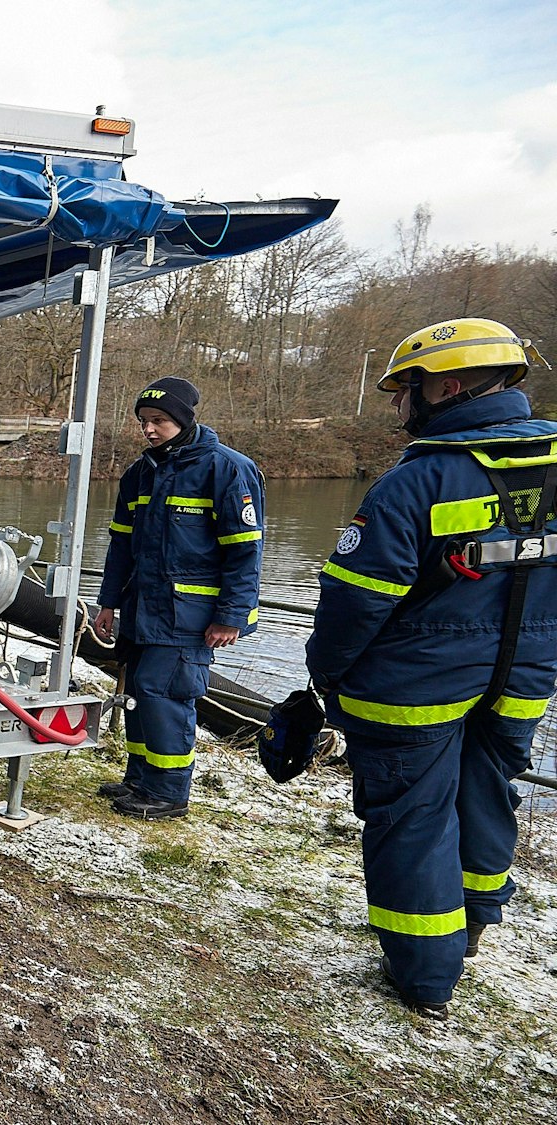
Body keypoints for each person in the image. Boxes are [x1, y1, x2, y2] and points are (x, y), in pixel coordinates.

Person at [304, 318, 555, 1021]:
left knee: (412, 817)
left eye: (405, 388)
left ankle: (423, 976)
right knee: (489, 790)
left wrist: (325, 675)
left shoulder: (416, 481)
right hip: (525, 674)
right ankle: (472, 924)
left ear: (447, 385)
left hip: (417, 680)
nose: (397, 404)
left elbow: (355, 602)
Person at [90, 376, 263, 821]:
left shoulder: (227, 469)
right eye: (143, 421)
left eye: (159, 420)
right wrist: (108, 603)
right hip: (142, 609)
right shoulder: (140, 472)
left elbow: (245, 552)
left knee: (164, 692)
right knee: (140, 692)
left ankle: (168, 793)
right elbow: (121, 545)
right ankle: (140, 779)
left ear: (184, 420)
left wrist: (232, 616)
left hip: (191, 616)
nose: (148, 429)